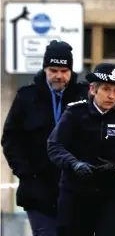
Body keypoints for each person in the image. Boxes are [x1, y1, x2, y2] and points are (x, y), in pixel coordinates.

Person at [1, 40, 88, 236]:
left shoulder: (84, 97)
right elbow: (11, 139)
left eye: (64, 70)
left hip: (76, 192)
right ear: (45, 69)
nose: (58, 76)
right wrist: (26, 174)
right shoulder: (26, 97)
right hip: (37, 190)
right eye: (53, 70)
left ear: (71, 71)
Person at [47, 63, 115, 236]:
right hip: (75, 197)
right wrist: (74, 164)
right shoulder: (74, 113)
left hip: (112, 198)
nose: (111, 96)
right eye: (106, 89)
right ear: (92, 89)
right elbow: (54, 146)